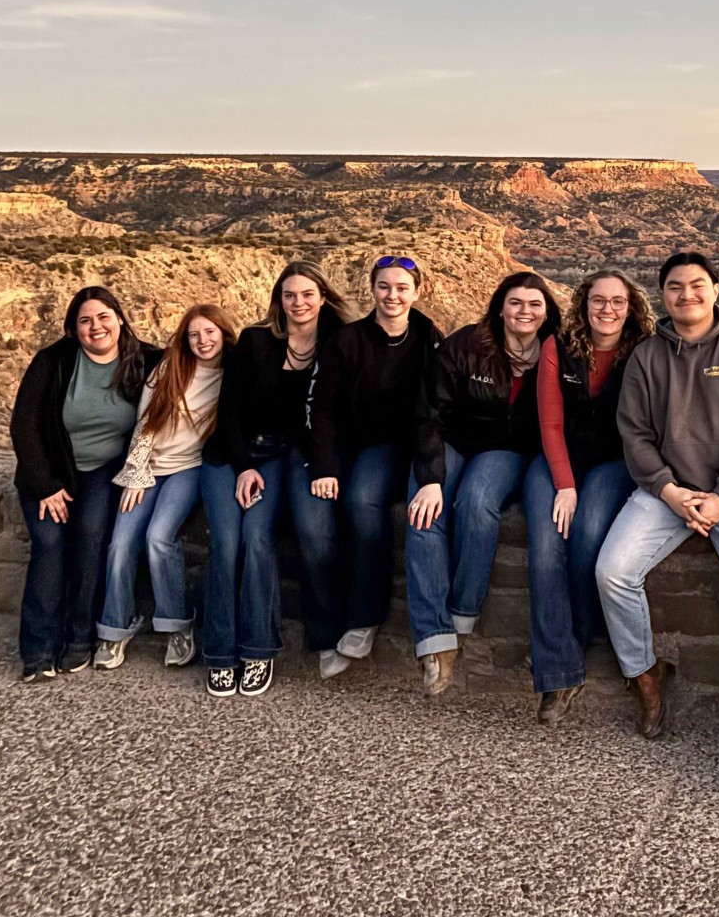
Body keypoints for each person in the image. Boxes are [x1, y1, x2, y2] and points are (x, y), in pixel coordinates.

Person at [594, 251, 719, 741]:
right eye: (675, 287)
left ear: (716, 290)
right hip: (665, 490)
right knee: (612, 572)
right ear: (663, 295)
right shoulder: (647, 356)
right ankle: (646, 676)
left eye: (697, 285)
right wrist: (670, 492)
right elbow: (634, 434)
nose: (686, 295)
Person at [406, 271, 559, 695]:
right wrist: (432, 478)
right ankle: (434, 640)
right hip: (452, 441)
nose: (524, 312)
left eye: (534, 304)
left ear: (547, 311)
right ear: (500, 307)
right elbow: (430, 414)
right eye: (515, 303)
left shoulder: (556, 352)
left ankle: (461, 613)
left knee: (476, 501)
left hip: (508, 450)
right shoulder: (466, 345)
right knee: (423, 509)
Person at [210, 261, 354, 697]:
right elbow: (229, 411)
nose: (299, 303)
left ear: (323, 297)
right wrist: (243, 465)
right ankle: (237, 649)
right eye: (290, 295)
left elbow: (344, 410)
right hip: (256, 451)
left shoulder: (340, 342)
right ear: (278, 300)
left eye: (308, 294)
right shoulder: (256, 342)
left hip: (310, 451)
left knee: (304, 531)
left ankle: (304, 639)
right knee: (241, 538)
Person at [9, 287, 162, 682]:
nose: (96, 327)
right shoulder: (54, 361)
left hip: (102, 470)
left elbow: (193, 371)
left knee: (92, 536)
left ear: (120, 319)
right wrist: (45, 485)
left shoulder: (145, 360)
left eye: (104, 317)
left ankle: (79, 639)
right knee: (49, 543)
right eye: (85, 320)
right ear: (74, 329)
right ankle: (39, 649)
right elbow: (24, 425)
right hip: (51, 471)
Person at [521, 269, 655, 724]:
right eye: (598, 300)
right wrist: (563, 484)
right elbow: (550, 425)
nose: (608, 310)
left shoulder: (642, 350)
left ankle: (574, 641)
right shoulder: (557, 347)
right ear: (584, 303)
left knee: (589, 535)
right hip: (558, 458)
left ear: (631, 306)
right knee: (544, 546)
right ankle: (558, 673)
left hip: (615, 463)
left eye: (618, 301)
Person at [311, 255, 444, 680]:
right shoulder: (347, 341)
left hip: (403, 446)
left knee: (362, 501)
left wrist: (432, 470)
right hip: (352, 443)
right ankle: (338, 626)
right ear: (372, 289)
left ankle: (364, 617)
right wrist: (326, 465)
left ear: (417, 292)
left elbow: (435, 411)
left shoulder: (429, 339)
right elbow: (325, 408)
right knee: (328, 516)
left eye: (402, 287)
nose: (393, 295)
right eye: (385, 286)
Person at [94, 304, 241, 672]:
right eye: (194, 334)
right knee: (121, 542)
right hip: (149, 467)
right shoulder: (171, 368)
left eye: (210, 333)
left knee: (159, 537)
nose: (203, 341)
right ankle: (115, 627)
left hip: (190, 468)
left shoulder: (234, 376)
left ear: (224, 333)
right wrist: (136, 473)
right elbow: (146, 422)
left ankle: (177, 625)